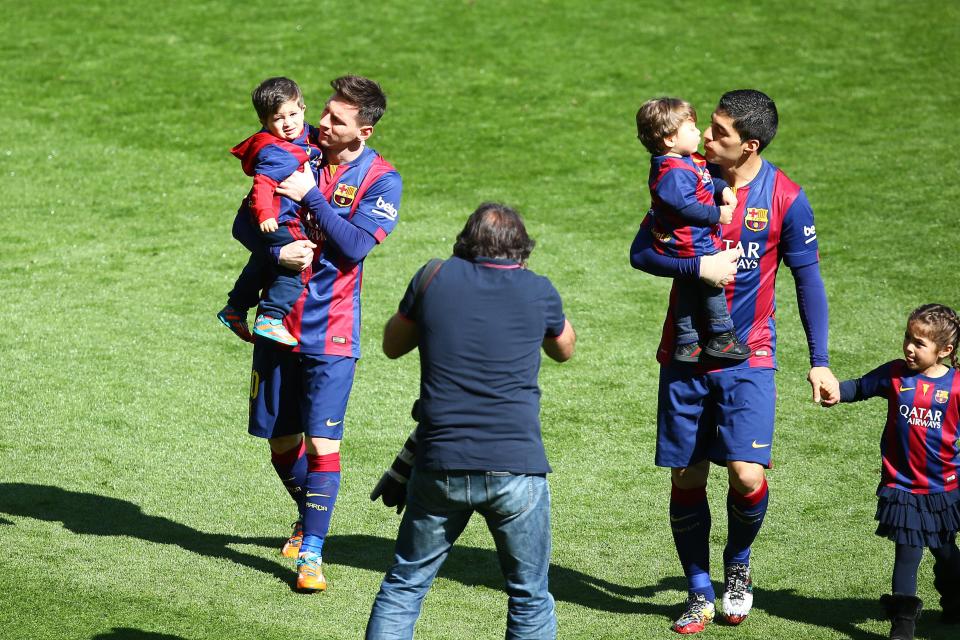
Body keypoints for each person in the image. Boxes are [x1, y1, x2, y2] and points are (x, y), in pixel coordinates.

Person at [629, 89, 840, 634]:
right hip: (686, 352)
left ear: (749, 145)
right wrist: (696, 270)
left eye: (719, 132)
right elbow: (642, 252)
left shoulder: (787, 198)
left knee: (747, 475)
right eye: (709, 126)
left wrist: (819, 360)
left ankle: (738, 567)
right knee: (687, 471)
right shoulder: (684, 178)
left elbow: (808, 279)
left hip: (749, 354)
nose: (706, 136)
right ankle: (699, 591)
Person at [365, 203, 576, 640]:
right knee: (529, 595)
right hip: (516, 469)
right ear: (521, 250)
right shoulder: (538, 289)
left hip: (440, 464)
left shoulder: (432, 277)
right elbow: (564, 349)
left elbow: (391, 344)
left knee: (405, 585)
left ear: (465, 242)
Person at [233, 75, 402, 592]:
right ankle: (310, 516)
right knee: (281, 442)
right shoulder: (291, 148)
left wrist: (313, 197)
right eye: (323, 113)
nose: (320, 124)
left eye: (336, 120)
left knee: (323, 440)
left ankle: (311, 553)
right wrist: (274, 252)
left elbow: (353, 246)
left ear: (364, 132)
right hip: (276, 324)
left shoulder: (382, 180)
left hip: (331, 331)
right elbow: (245, 224)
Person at [825, 303, 960, 640]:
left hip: (943, 488)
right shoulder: (895, 374)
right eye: (908, 338)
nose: (910, 347)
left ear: (945, 350)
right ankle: (903, 626)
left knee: (946, 551)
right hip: (902, 486)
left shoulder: (956, 387)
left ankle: (956, 600)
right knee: (907, 552)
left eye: (919, 343)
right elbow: (860, 386)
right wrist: (836, 391)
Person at [635, 97, 748, 363]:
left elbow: (706, 179)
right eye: (691, 128)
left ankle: (686, 342)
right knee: (712, 285)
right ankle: (722, 335)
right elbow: (685, 207)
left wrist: (722, 190)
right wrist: (717, 214)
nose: (701, 133)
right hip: (691, 242)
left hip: (690, 241)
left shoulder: (686, 160)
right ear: (669, 139)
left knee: (687, 289)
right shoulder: (671, 172)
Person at [218, 76, 322, 346]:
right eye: (278, 118)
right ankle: (271, 317)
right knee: (299, 260)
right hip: (278, 218)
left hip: (265, 217)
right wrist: (266, 214)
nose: (288, 123)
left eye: (293, 114)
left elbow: (309, 137)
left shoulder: (302, 135)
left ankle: (235, 308)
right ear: (265, 122)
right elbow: (262, 184)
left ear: (303, 109)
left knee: (263, 261)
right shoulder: (276, 152)